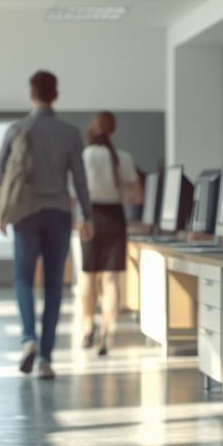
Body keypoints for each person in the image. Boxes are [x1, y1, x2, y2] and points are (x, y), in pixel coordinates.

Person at [0, 70, 90, 379]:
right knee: (53, 286)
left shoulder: (17, 129)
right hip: (59, 213)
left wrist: (2, 212)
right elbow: (80, 179)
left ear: (31, 94)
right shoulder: (70, 133)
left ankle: (28, 339)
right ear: (56, 95)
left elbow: (0, 176)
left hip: (25, 214)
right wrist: (86, 215)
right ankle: (46, 359)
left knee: (23, 278)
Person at [77, 111, 139, 356]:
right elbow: (135, 192)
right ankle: (107, 333)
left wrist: (81, 219)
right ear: (113, 129)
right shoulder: (123, 157)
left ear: (92, 129)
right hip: (115, 218)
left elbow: (79, 190)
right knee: (111, 280)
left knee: (88, 278)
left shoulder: (88, 154)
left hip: (91, 216)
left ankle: (85, 328)